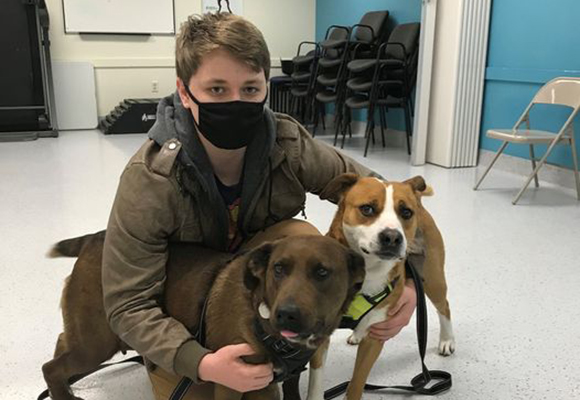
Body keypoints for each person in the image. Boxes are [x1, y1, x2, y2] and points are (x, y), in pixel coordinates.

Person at [101, 12, 418, 400]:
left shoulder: (287, 142)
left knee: (299, 238)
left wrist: (407, 280)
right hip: (185, 300)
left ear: (266, 86)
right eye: (217, 89)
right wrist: (198, 361)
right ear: (184, 92)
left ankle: (278, 338)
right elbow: (126, 304)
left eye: (250, 89)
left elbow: (387, 195)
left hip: (259, 283)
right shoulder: (149, 179)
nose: (236, 102)